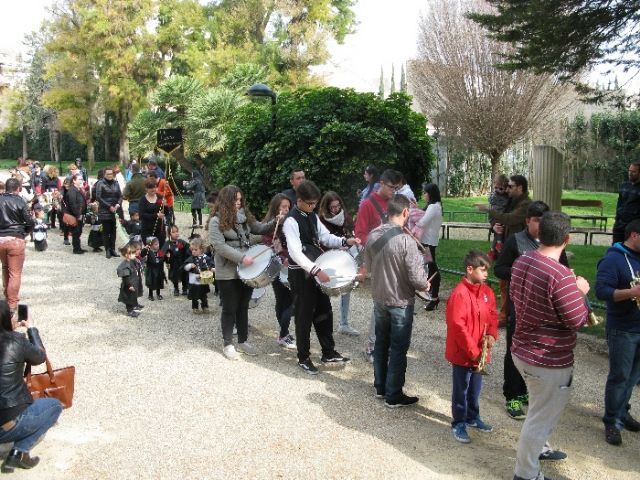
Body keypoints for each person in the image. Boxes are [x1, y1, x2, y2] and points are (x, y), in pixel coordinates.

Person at [510, 212, 589, 480]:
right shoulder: (562, 275)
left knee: (537, 408)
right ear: (567, 239)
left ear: (539, 233)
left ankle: (539, 449)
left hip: (521, 351)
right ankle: (526, 473)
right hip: (547, 360)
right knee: (539, 418)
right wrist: (580, 291)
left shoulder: (522, 260)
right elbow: (578, 319)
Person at [282, 180, 359, 374]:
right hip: (301, 274)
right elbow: (295, 252)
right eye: (309, 203)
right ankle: (303, 357)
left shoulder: (313, 216)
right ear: (299, 200)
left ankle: (328, 351)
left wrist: (344, 240)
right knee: (303, 315)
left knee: (324, 311)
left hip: (317, 269)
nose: (313, 206)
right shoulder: (291, 221)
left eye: (315, 203)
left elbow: (324, 238)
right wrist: (316, 271)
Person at [363, 194, 430, 405]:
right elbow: (417, 279)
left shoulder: (373, 236)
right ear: (405, 213)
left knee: (381, 343)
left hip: (379, 298)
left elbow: (368, 266)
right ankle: (393, 395)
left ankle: (380, 387)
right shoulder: (406, 241)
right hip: (400, 301)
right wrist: (425, 285)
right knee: (399, 349)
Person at [209, 185, 277, 360]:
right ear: (226, 201)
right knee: (230, 308)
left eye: (240, 200)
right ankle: (227, 344)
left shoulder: (243, 217)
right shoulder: (215, 221)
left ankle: (243, 341)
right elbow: (220, 247)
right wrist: (241, 258)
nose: (238, 203)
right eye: (235, 200)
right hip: (228, 272)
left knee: (243, 306)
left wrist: (277, 221)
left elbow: (260, 229)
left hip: (246, 271)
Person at [595, 218, 640, 446]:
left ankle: (622, 411)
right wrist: (632, 292)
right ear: (634, 235)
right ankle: (611, 421)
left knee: (633, 377)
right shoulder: (613, 259)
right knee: (620, 376)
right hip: (623, 328)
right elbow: (601, 291)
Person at [446, 250, 498, 443]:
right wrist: (474, 352)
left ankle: (473, 416)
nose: (486, 275)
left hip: (479, 353)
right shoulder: (459, 294)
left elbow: (492, 315)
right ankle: (459, 421)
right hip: (463, 353)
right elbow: (457, 326)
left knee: (475, 388)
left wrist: (492, 335)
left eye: (487, 271)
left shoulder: (487, 292)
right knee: (461, 388)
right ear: (470, 269)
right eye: (483, 270)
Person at [355, 168, 403, 363]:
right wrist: (379, 246)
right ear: (381, 183)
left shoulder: (395, 204)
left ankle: (386, 344)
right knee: (380, 304)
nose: (394, 191)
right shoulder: (367, 204)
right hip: (377, 258)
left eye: (396, 188)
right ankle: (373, 346)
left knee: (392, 302)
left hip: (394, 258)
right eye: (391, 187)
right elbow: (360, 234)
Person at [318, 190, 359, 336]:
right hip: (328, 258)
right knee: (325, 291)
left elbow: (351, 233)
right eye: (333, 207)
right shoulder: (321, 220)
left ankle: (344, 323)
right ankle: (320, 321)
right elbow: (322, 240)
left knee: (346, 288)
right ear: (327, 207)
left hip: (344, 256)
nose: (336, 209)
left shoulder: (345, 217)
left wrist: (350, 241)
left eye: (338, 206)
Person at [262, 193, 295, 349]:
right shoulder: (271, 226)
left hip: (290, 266)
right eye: (283, 207)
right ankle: (283, 335)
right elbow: (270, 246)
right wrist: (283, 259)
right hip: (277, 267)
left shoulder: (291, 224)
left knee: (285, 301)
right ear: (276, 207)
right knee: (285, 301)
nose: (287, 210)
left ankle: (284, 332)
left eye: (288, 207)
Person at [0, 178, 34, 311]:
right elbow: (30, 222)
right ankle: (12, 303)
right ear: (18, 188)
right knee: (15, 273)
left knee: (5, 267)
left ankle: (6, 294)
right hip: (15, 239)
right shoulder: (20, 201)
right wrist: (23, 234)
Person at [414, 182, 443, 311]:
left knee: (432, 269)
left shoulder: (434, 207)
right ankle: (432, 295)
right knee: (430, 268)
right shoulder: (433, 206)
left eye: (425, 192)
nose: (424, 194)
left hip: (428, 243)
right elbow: (424, 216)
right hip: (428, 242)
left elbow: (422, 222)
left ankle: (434, 298)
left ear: (430, 194)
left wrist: (410, 216)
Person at [95, 167, 123, 258]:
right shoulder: (100, 183)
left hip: (115, 210)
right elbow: (99, 197)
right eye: (108, 174)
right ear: (104, 174)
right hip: (104, 211)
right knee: (106, 231)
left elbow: (120, 195)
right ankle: (107, 249)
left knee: (113, 231)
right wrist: (109, 206)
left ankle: (113, 249)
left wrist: (118, 204)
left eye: (111, 174)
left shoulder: (116, 183)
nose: (110, 176)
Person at [183, 237, 214, 314]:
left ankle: (205, 306)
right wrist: (190, 265)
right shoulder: (191, 258)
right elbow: (185, 268)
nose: (193, 251)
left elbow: (210, 265)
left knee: (203, 294)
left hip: (203, 280)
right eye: (192, 250)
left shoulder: (205, 258)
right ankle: (195, 307)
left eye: (195, 250)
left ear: (201, 249)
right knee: (194, 296)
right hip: (194, 280)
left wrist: (212, 269)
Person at [612, 162, 640, 244]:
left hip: (633, 226)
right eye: (629, 171)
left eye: (633, 172)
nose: (630, 173)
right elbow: (619, 203)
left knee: (630, 250)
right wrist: (617, 217)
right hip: (619, 224)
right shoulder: (624, 186)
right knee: (616, 247)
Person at [117, 243, 144, 317]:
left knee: (134, 295)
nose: (135, 254)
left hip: (134, 281)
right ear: (127, 255)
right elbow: (126, 277)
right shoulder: (125, 265)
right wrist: (129, 285)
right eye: (133, 253)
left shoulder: (132, 261)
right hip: (129, 284)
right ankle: (130, 310)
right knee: (129, 297)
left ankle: (135, 305)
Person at [162, 225, 190, 296]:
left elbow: (188, 248)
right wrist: (164, 256)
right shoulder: (167, 244)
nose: (176, 233)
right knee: (174, 276)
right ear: (169, 234)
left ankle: (185, 288)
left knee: (184, 275)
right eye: (173, 232)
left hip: (182, 262)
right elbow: (161, 253)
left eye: (177, 231)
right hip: (173, 264)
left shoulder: (181, 242)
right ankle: (176, 288)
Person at [487, 174, 510, 261]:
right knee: (498, 230)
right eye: (495, 187)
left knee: (498, 232)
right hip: (495, 216)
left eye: (500, 189)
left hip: (500, 216)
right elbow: (492, 202)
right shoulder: (496, 195)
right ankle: (498, 245)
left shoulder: (506, 196)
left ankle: (492, 250)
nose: (497, 190)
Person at [138, 178, 166, 247]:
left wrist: (166, 206)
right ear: (146, 189)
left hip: (160, 229)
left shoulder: (160, 197)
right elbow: (142, 215)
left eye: (155, 187)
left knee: (160, 249)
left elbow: (166, 212)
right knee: (149, 250)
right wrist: (156, 215)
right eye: (150, 187)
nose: (153, 189)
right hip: (147, 230)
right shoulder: (142, 200)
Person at [64, 174, 88, 254]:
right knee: (76, 232)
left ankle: (78, 247)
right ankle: (76, 249)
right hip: (74, 215)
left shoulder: (78, 189)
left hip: (79, 214)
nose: (81, 181)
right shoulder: (72, 191)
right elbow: (72, 204)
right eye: (79, 179)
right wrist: (78, 215)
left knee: (79, 231)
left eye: (81, 179)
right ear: (74, 180)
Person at [143, 237, 166, 301]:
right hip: (151, 270)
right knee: (151, 283)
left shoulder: (160, 251)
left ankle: (158, 294)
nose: (158, 245)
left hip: (159, 270)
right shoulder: (149, 252)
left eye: (158, 244)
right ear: (151, 246)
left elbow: (163, 258)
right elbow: (142, 254)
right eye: (155, 244)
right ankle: (150, 295)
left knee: (159, 282)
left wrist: (167, 257)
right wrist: (145, 249)